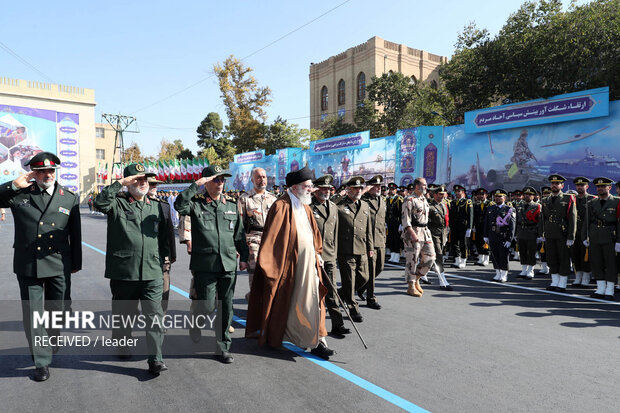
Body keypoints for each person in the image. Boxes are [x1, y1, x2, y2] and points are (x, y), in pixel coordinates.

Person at [0, 152, 82, 382]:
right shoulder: (20, 194)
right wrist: (13, 186)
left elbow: (75, 234)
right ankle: (41, 361)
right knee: (33, 314)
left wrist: (76, 263)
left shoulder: (68, 197)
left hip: (59, 263)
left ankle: (53, 336)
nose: (47, 174)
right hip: (29, 264)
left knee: (59, 309)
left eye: (51, 171)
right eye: (42, 171)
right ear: (33, 173)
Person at [246, 166, 334, 359]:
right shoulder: (280, 206)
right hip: (289, 268)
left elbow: (314, 236)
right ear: (295, 187)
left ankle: (319, 340)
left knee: (315, 301)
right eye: (307, 186)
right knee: (286, 303)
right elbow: (272, 242)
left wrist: (317, 252)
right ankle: (279, 336)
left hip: (309, 266)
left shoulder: (306, 207)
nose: (311, 189)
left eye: (311, 186)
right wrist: (273, 268)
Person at [94, 163, 169, 375]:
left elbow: (163, 237)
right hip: (124, 271)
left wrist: (164, 261)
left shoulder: (156, 205)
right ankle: (122, 344)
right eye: (137, 179)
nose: (143, 182)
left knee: (154, 315)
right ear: (128, 182)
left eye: (145, 179)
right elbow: (99, 203)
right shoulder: (116, 203)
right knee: (123, 313)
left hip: (152, 270)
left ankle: (155, 359)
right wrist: (118, 183)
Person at [174, 165, 249, 363]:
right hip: (205, 264)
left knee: (226, 306)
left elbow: (239, 234)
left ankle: (222, 346)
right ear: (206, 182)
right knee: (206, 306)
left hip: (228, 264)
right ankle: (196, 323)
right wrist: (195, 185)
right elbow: (179, 205)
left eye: (222, 179)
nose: (220, 183)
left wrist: (244, 257)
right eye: (216, 179)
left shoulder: (231, 205)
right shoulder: (196, 203)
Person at [310, 174, 349, 337]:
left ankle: (337, 324)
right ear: (315, 190)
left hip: (330, 256)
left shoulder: (333, 206)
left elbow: (336, 233)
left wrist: (336, 254)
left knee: (332, 291)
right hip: (313, 258)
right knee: (313, 295)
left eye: (328, 188)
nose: (326, 191)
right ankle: (311, 328)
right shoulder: (309, 207)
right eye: (323, 188)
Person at [335, 176, 374, 321]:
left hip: (362, 247)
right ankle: (353, 309)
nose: (359, 191)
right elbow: (328, 204)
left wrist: (370, 247)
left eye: (360, 188)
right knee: (349, 281)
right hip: (346, 249)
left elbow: (368, 228)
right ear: (348, 190)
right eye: (355, 188)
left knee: (364, 277)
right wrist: (340, 195)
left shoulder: (364, 205)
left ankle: (342, 294)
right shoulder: (339, 205)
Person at [238, 168, 277, 301]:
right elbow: (239, 226)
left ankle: (261, 303)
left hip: (270, 241)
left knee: (271, 276)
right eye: (259, 177)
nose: (262, 180)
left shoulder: (273, 199)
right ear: (252, 180)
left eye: (264, 177)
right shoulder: (244, 199)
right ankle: (254, 304)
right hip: (252, 240)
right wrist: (240, 249)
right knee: (255, 276)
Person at [582, 177, 619, 300]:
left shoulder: (617, 202)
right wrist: (584, 236)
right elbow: (586, 222)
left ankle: (609, 290)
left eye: (603, 186)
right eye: (598, 187)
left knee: (610, 264)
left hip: (610, 236)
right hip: (594, 235)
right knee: (596, 262)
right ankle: (600, 288)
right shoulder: (592, 203)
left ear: (609, 187)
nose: (600, 188)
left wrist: (619, 241)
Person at [539, 175, 577, 292]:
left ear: (562, 186)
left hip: (562, 233)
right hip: (550, 233)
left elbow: (572, 218)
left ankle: (562, 283)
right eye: (552, 183)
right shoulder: (545, 200)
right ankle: (554, 281)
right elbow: (542, 219)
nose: (554, 185)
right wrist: (542, 233)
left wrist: (571, 236)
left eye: (557, 183)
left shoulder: (568, 198)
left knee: (563, 258)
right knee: (552, 258)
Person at [402, 177, 436, 297]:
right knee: (412, 260)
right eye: (424, 185)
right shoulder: (409, 199)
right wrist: (412, 234)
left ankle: (417, 278)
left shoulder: (424, 199)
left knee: (430, 257)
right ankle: (411, 286)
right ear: (417, 186)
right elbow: (406, 220)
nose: (426, 187)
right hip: (413, 233)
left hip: (425, 232)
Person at [147, 177, 177, 313]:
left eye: (155, 184)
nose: (154, 186)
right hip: (145, 255)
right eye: (151, 183)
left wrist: (172, 254)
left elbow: (170, 231)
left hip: (162, 254)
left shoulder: (163, 205)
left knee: (164, 287)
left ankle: (161, 316)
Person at [359, 175, 386, 309]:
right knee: (369, 270)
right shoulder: (363, 200)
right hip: (368, 241)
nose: (378, 188)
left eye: (379, 186)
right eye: (375, 186)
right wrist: (363, 190)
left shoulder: (382, 200)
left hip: (380, 240)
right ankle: (371, 298)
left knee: (379, 268)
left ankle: (361, 287)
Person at [483, 189, 515, 282]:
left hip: (503, 236)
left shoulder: (509, 209)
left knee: (503, 256)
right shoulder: (491, 208)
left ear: (504, 198)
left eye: (500, 196)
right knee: (494, 255)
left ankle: (504, 274)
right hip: (492, 235)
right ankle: (497, 273)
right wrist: (485, 235)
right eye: (496, 196)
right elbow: (486, 223)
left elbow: (512, 226)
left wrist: (509, 239)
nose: (497, 198)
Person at [571, 177, 595, 287]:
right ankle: (578, 277)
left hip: (587, 232)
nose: (579, 187)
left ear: (587, 186)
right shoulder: (572, 199)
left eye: (582, 185)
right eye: (578, 185)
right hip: (575, 231)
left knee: (586, 256)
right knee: (575, 255)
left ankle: (586, 277)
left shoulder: (592, 199)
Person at [428, 184, 452, 290]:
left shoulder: (443, 205)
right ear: (434, 194)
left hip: (441, 234)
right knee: (439, 256)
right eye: (440, 194)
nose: (442, 196)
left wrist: (445, 234)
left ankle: (420, 275)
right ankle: (443, 281)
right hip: (432, 234)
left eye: (443, 194)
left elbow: (445, 222)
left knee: (428, 258)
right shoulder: (430, 206)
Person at [515, 187, 541, 280]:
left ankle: (530, 271)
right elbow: (517, 220)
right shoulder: (519, 205)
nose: (527, 196)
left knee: (531, 252)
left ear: (533, 196)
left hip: (532, 231)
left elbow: (539, 221)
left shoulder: (537, 206)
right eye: (526, 194)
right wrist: (515, 233)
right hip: (521, 231)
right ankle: (524, 270)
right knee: (522, 251)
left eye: (530, 195)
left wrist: (540, 235)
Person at [450, 184, 473, 268]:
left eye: (458, 191)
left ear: (463, 192)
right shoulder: (453, 202)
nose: (457, 193)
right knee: (454, 243)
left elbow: (470, 215)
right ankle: (457, 259)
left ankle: (463, 260)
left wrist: (469, 228)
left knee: (463, 243)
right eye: (455, 192)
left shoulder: (467, 202)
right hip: (454, 226)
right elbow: (451, 215)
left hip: (463, 226)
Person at [386, 182, 404, 263]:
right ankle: (392, 255)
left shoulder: (399, 199)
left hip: (397, 222)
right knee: (391, 238)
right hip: (390, 222)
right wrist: (386, 222)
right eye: (390, 189)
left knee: (396, 239)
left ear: (396, 190)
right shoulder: (388, 199)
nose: (391, 191)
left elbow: (401, 212)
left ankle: (397, 256)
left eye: (393, 189)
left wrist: (401, 223)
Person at [472, 188, 491, 266]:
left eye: (482, 194)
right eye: (479, 194)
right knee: (478, 241)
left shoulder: (490, 204)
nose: (480, 196)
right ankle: (480, 258)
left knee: (486, 242)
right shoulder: (476, 204)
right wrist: (473, 226)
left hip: (487, 226)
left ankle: (486, 258)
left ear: (486, 195)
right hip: (478, 226)